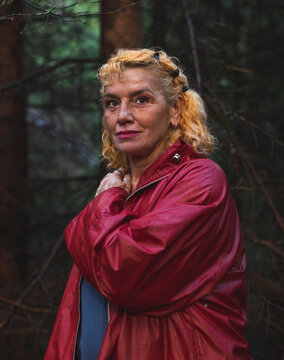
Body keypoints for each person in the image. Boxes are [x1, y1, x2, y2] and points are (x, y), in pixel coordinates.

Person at [44, 48, 251, 360]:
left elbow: (123, 276)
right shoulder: (120, 189)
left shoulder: (201, 181)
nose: (123, 115)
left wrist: (105, 202)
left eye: (141, 99)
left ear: (176, 110)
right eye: (112, 103)